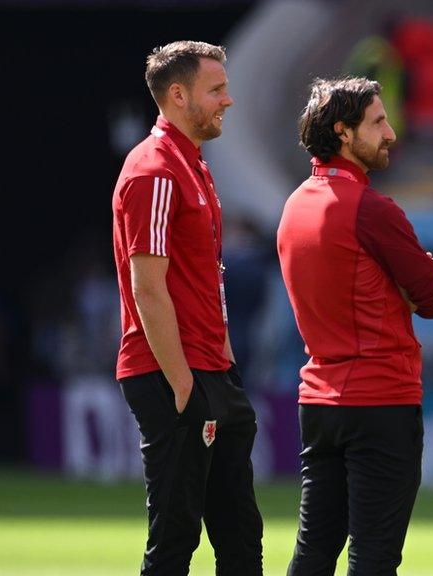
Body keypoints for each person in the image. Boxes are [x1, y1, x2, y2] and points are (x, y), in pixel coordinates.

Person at [278, 77, 433, 576]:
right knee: (374, 559)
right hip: (381, 401)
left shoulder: (293, 207)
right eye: (377, 122)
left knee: (314, 550)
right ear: (343, 132)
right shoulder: (372, 210)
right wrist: (412, 274)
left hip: (318, 402)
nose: (391, 133)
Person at [111, 41, 263, 576]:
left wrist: (222, 361)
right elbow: (147, 286)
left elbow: (200, 278)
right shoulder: (153, 169)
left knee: (242, 538)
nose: (228, 100)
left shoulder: (191, 164)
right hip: (172, 371)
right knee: (175, 541)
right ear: (177, 95)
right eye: (216, 89)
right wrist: (181, 383)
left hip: (211, 369)